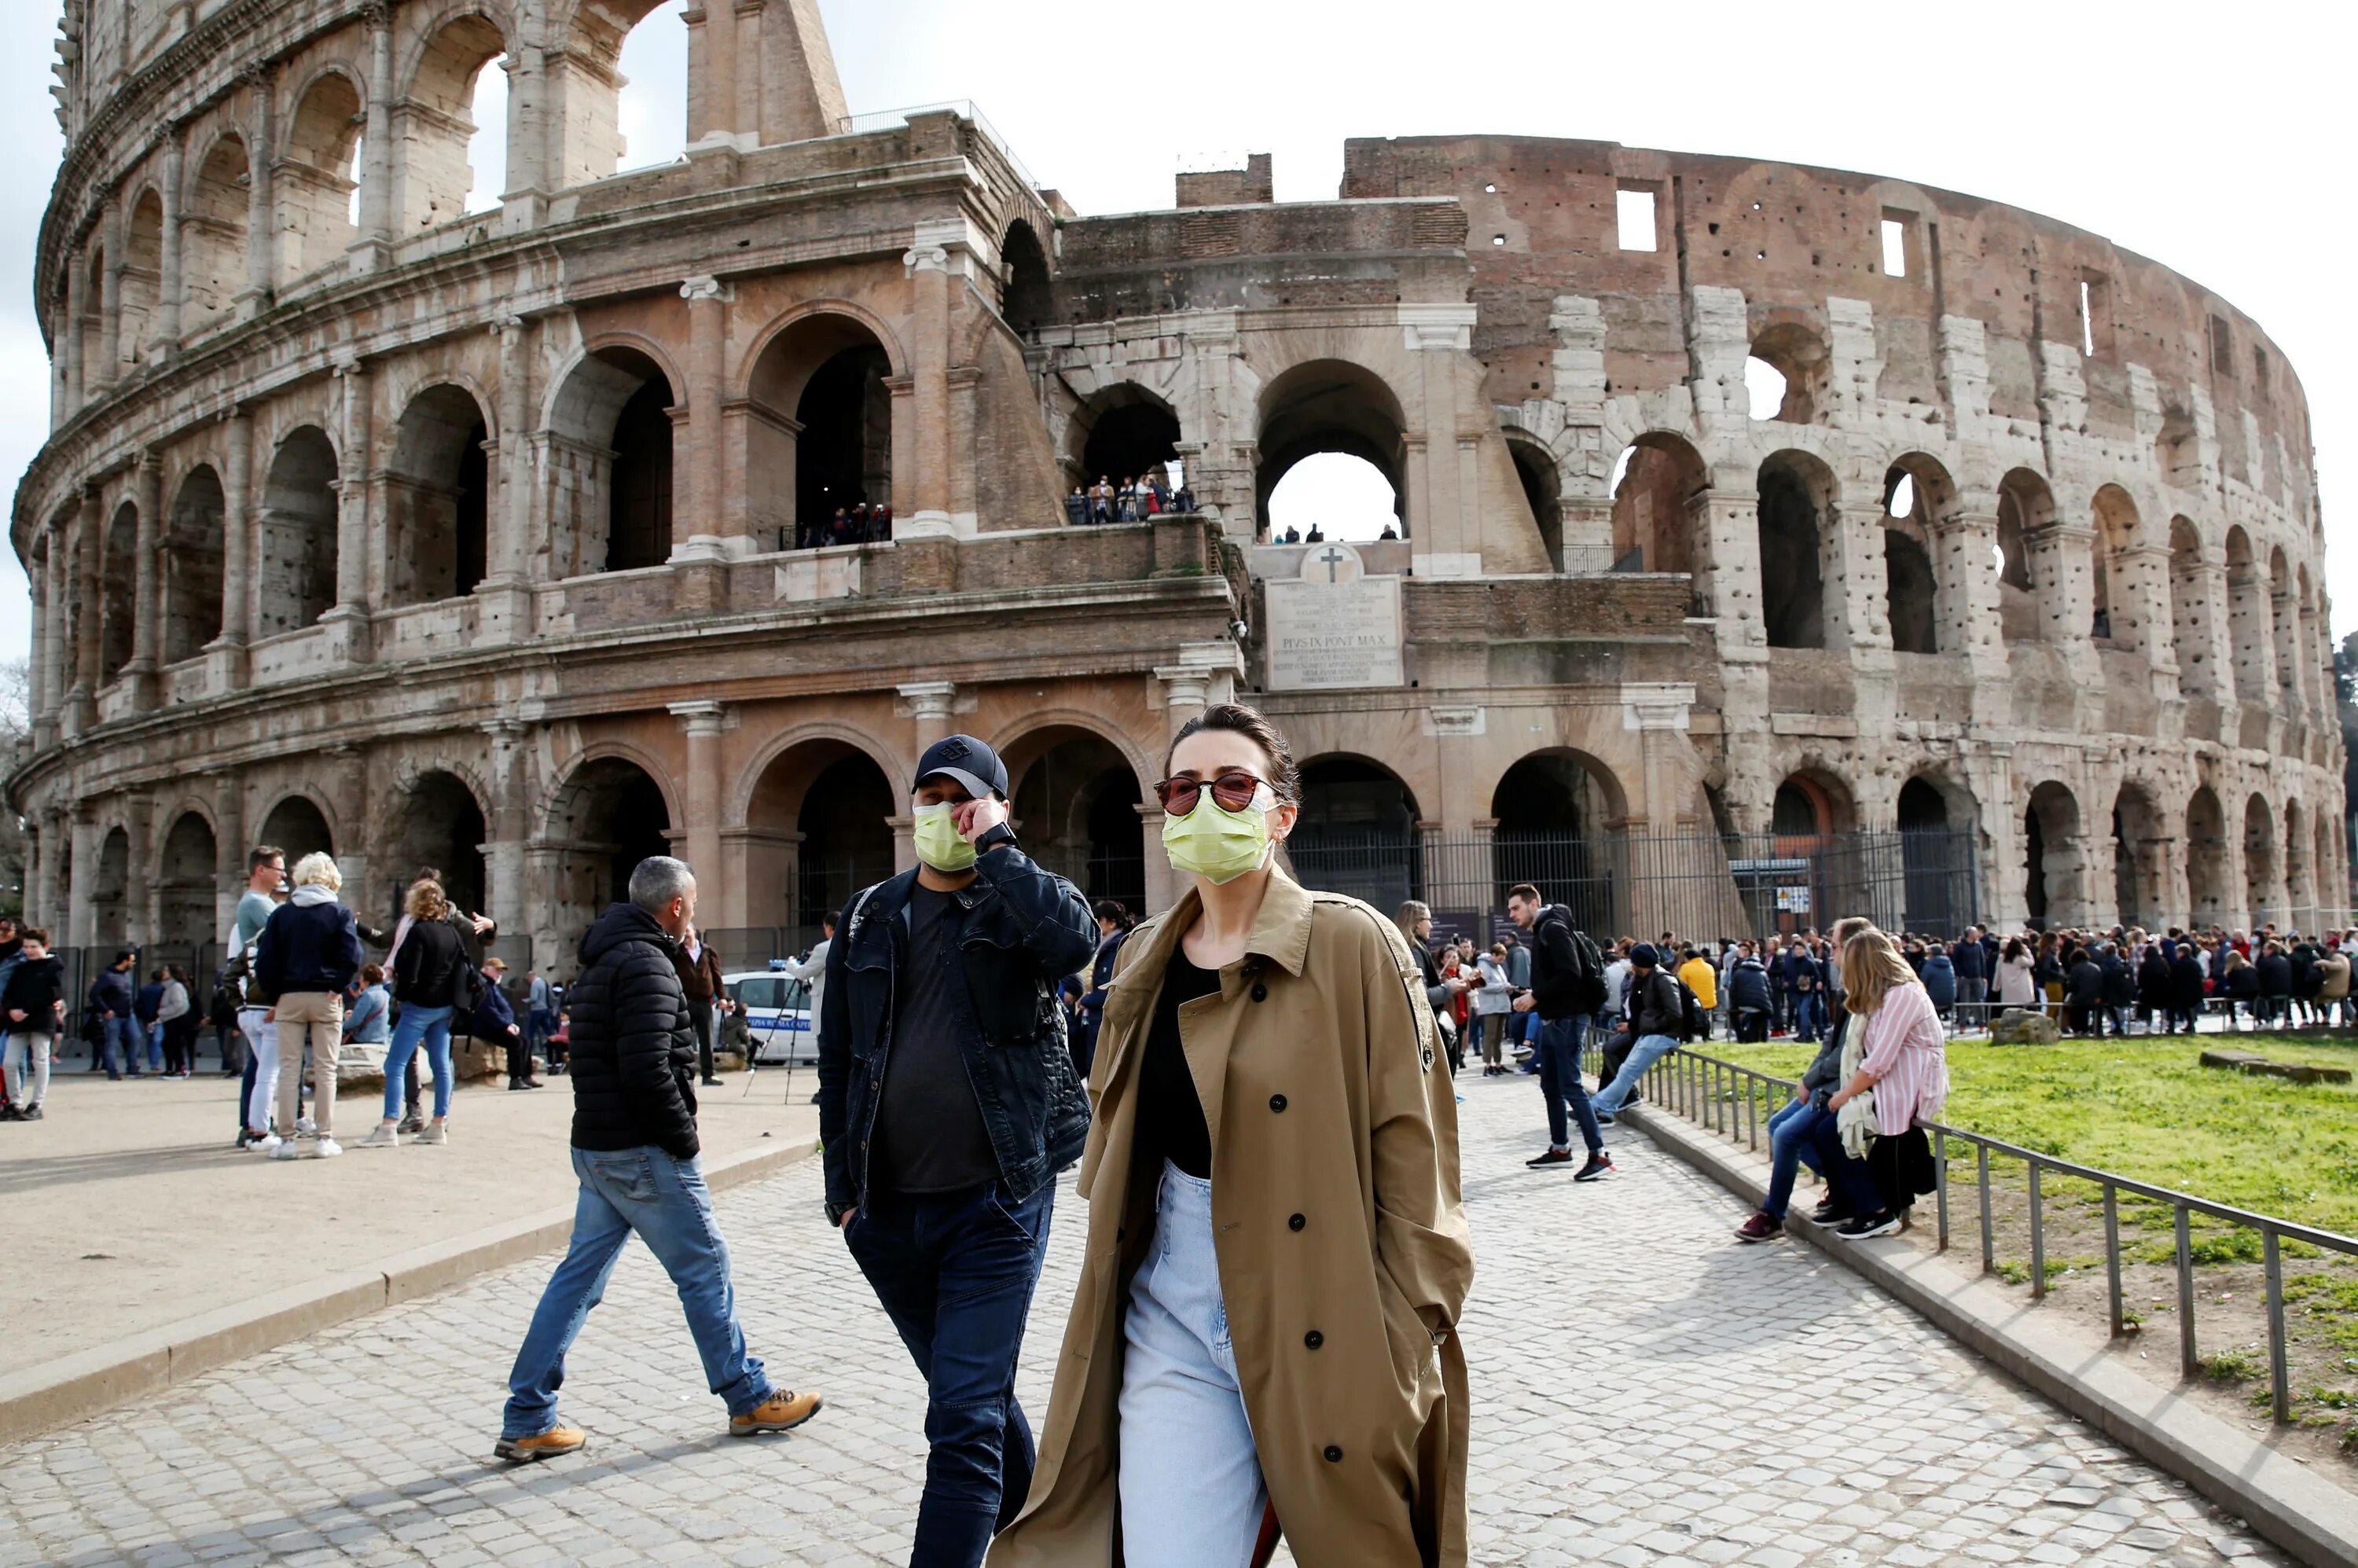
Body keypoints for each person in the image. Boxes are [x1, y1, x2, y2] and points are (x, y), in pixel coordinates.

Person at [993, 701, 1473, 1567]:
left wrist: (1404, 1338)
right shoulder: (1139, 957)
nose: (1203, 803)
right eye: (1182, 789)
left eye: (1232, 783)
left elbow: (1420, 1161)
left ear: (1280, 813)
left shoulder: (1353, 943)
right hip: (1173, 1297)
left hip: (1329, 1300)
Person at [819, 733, 1096, 1567]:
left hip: (997, 1201)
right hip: (890, 1214)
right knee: (968, 1396)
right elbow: (840, 1058)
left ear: (997, 807)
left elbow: (1074, 945)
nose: (946, 812)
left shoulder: (1019, 904)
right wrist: (845, 1191)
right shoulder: (873, 913)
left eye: (964, 798)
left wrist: (1000, 851)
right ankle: (1047, 1527)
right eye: (932, 798)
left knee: (962, 1417)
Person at [497, 855, 823, 1461]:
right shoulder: (648, 963)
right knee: (705, 1266)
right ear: (675, 906)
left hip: (596, 1144)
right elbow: (649, 1068)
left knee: (577, 1282)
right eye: (692, 904)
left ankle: (527, 1414)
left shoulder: (602, 959)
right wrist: (685, 1140)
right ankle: (747, 1394)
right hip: (642, 1148)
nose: (694, 913)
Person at [1733, 920, 1875, 1243]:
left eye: (1835, 946)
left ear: (1853, 949)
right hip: (1827, 1084)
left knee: (1787, 1134)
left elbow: (1847, 1053)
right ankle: (1841, 1188)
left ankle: (1773, 1214)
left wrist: (1813, 1081)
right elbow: (1830, 1043)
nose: (1831, 952)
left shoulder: (1867, 994)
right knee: (1777, 1125)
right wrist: (1808, 1079)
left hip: (1846, 1086)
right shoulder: (1848, 987)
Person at [1809, 927, 1951, 1240]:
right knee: (1826, 1132)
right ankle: (1855, 1203)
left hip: (1908, 1083)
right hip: (1889, 1082)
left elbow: (1879, 1060)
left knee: (1831, 1132)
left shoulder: (1903, 995)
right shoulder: (1886, 995)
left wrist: (1845, 1094)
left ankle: (1876, 1211)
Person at [254, 852, 364, 1160]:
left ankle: (287, 1141)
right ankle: (324, 1138)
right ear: (332, 880)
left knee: (290, 1070)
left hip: (289, 995)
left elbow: (265, 961)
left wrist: (276, 993)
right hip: (326, 997)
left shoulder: (281, 914)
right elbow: (352, 956)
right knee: (326, 1069)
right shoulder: (339, 913)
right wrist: (337, 985)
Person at [1506, 883, 1611, 1178]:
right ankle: (1560, 1148)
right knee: (1550, 1086)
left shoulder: (1552, 928)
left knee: (1571, 1086)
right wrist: (1534, 995)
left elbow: (1570, 973)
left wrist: (1535, 997)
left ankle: (1599, 1155)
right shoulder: (1544, 930)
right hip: (1553, 1018)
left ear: (1533, 903)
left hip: (1567, 1018)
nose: (1512, 915)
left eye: (1516, 908)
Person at [360, 881, 471, 1148]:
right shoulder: (451, 932)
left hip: (419, 1006)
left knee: (395, 1064)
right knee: (442, 1065)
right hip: (445, 1007)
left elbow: (409, 971)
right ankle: (439, 1123)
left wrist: (402, 995)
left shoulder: (418, 932)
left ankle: (388, 1124)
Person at [230, 845, 288, 1148]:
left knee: (261, 1068)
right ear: (260, 870)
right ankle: (258, 1128)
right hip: (265, 997)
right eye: (279, 868)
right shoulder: (257, 904)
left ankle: (255, 1125)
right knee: (266, 1071)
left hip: (252, 996)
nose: (284, 875)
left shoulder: (254, 902)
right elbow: (290, 931)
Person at [1589, 942, 1681, 1122]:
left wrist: (1652, 1026)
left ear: (1640, 963)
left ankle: (1595, 1106)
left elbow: (1675, 1013)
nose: (1630, 965)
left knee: (1627, 1071)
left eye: (1633, 962)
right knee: (1625, 1069)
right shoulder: (1648, 978)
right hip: (1651, 1032)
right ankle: (1605, 1110)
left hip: (1662, 1035)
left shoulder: (1662, 980)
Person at [0, 928, 64, 1122]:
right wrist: (12, 1010)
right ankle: (15, 1103)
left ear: (45, 946)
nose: (29, 951)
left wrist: (26, 1010)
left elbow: (54, 993)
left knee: (40, 1061)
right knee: (9, 1062)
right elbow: (9, 992)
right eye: (26, 947)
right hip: (18, 1020)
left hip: (41, 1019)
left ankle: (36, 1103)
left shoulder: (54, 966)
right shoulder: (21, 967)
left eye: (33, 947)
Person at [1075, 900, 1134, 1081]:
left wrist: (1085, 1001)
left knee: (1101, 1073)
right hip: (1102, 1020)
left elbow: (1107, 989)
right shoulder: (1112, 945)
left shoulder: (1113, 948)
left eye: (1098, 919)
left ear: (1111, 923)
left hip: (1104, 1020)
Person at [783, 912, 836, 1103]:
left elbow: (804, 972)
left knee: (827, 1055)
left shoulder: (824, 948)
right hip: (846, 1011)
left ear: (829, 927)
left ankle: (826, 1091)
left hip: (825, 1010)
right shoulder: (854, 944)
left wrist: (790, 964)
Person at [674, 924, 726, 1087]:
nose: (685, 935)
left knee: (707, 1040)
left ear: (694, 932)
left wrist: (722, 997)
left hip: (704, 1002)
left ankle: (708, 1075)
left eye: (687, 931)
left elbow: (716, 975)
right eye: (683, 932)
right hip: (684, 1001)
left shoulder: (707, 951)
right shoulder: (677, 952)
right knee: (683, 1039)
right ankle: (682, 1073)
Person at [476, 957, 537, 1089]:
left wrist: (509, 1023)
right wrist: (505, 1025)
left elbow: (505, 1008)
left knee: (525, 1040)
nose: (500, 974)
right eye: (497, 970)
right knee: (515, 1042)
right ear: (486, 970)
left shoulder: (492, 985)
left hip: (497, 1024)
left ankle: (526, 1076)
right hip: (485, 1025)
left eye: (501, 971)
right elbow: (487, 1010)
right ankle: (516, 1078)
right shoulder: (483, 985)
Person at [89, 951, 138, 1081]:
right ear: (124, 961)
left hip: (128, 1013)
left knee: (135, 1038)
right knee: (112, 1043)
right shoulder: (107, 976)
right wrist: (105, 1009)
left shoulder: (127, 975)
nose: (133, 963)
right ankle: (112, 1071)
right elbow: (94, 994)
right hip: (113, 1014)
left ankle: (132, 1067)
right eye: (132, 961)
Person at [1475, 941, 1515, 1073]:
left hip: (1501, 1006)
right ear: (1493, 955)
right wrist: (1503, 987)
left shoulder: (1498, 966)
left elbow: (1502, 982)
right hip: (1490, 1007)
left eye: (1503, 958)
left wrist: (1507, 987)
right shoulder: (1484, 966)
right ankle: (1488, 1064)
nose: (1502, 961)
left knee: (1499, 1037)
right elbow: (1484, 986)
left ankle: (1498, 1063)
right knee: (1490, 1036)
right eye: (1500, 958)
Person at [343, 963, 392, 1069]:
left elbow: (355, 1022)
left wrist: (341, 1025)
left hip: (366, 1037)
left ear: (366, 980)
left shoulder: (368, 995)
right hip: (381, 1037)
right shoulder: (385, 994)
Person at [155, 964, 194, 1078]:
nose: (163, 972)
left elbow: (179, 1005)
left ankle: (180, 1069)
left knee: (174, 1045)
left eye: (166, 970)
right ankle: (171, 1068)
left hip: (176, 1020)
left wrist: (162, 1012)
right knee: (169, 1045)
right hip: (170, 1020)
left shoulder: (176, 986)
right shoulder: (169, 987)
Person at [1728, 945, 1772, 1043]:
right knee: (1762, 1017)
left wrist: (1734, 1006)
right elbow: (1769, 991)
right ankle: (1764, 1039)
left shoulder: (1738, 973)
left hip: (1743, 1005)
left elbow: (1733, 992)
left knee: (1733, 1015)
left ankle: (1740, 1037)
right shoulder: (1763, 973)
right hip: (1762, 1006)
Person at [1677, 945, 1717, 1041]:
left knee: (1686, 1015)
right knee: (1707, 1017)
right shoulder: (1709, 967)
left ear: (1687, 958)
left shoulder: (1686, 968)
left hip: (1695, 1003)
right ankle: (1706, 1036)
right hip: (1710, 1001)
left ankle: (1689, 1038)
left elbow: (1682, 986)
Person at [1993, 936, 2038, 1014]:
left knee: (2009, 1012)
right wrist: (2027, 951)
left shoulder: (2002, 958)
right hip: (2022, 992)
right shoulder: (2020, 959)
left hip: (2007, 991)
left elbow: (1998, 973)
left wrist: (1996, 986)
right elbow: (2031, 962)